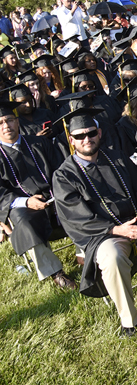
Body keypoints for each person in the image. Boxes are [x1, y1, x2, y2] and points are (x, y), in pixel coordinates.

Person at [53, 108, 137, 336]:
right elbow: (77, 219)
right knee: (113, 258)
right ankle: (129, 320)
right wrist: (118, 230)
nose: (86, 139)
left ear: (99, 132)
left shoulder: (116, 157)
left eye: (91, 133)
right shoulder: (64, 176)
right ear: (71, 140)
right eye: (79, 136)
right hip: (104, 235)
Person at [0, 100, 75, 289]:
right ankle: (54, 271)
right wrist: (26, 202)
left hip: (54, 194)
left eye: (9, 120)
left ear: (17, 122)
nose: (6, 126)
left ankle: (87, 251)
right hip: (23, 205)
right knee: (23, 222)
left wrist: (58, 192)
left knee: (76, 201)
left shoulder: (39, 143)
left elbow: (61, 170)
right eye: (0, 123)